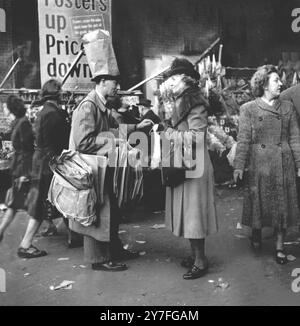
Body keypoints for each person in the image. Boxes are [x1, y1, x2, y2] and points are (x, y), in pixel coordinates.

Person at [69, 73, 153, 271]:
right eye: (115, 82)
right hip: (93, 169)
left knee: (111, 209)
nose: (118, 86)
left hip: (103, 168)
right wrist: (113, 142)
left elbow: (113, 130)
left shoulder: (101, 104)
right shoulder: (88, 106)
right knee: (97, 211)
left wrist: (136, 127)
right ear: (102, 82)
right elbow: (83, 142)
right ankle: (98, 259)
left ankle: (114, 250)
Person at [233, 65, 300, 264]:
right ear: (263, 84)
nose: (281, 83)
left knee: (282, 203)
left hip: (283, 161)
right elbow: (243, 139)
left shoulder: (288, 108)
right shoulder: (249, 109)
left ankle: (279, 247)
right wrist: (239, 166)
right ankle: (256, 231)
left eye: (280, 80)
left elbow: (295, 138)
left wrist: (299, 163)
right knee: (258, 201)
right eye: (276, 80)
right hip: (258, 163)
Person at [162, 58, 218, 279]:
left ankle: (200, 261)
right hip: (186, 162)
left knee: (194, 214)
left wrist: (169, 134)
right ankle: (195, 255)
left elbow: (198, 136)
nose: (171, 81)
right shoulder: (181, 100)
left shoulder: (195, 102)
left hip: (195, 164)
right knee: (188, 213)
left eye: (174, 77)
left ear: (185, 79)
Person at [17, 79, 70, 258]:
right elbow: (55, 143)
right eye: (61, 91)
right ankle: (25, 245)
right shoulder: (54, 114)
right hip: (47, 164)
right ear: (57, 93)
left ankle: (63, 230)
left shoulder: (43, 112)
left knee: (47, 200)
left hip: (40, 162)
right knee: (44, 203)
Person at [0, 95, 34, 242]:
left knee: (16, 203)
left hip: (20, 167)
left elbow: (25, 149)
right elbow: (26, 149)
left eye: (6, 108)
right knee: (20, 203)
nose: (4, 110)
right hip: (21, 168)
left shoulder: (19, 123)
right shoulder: (22, 122)